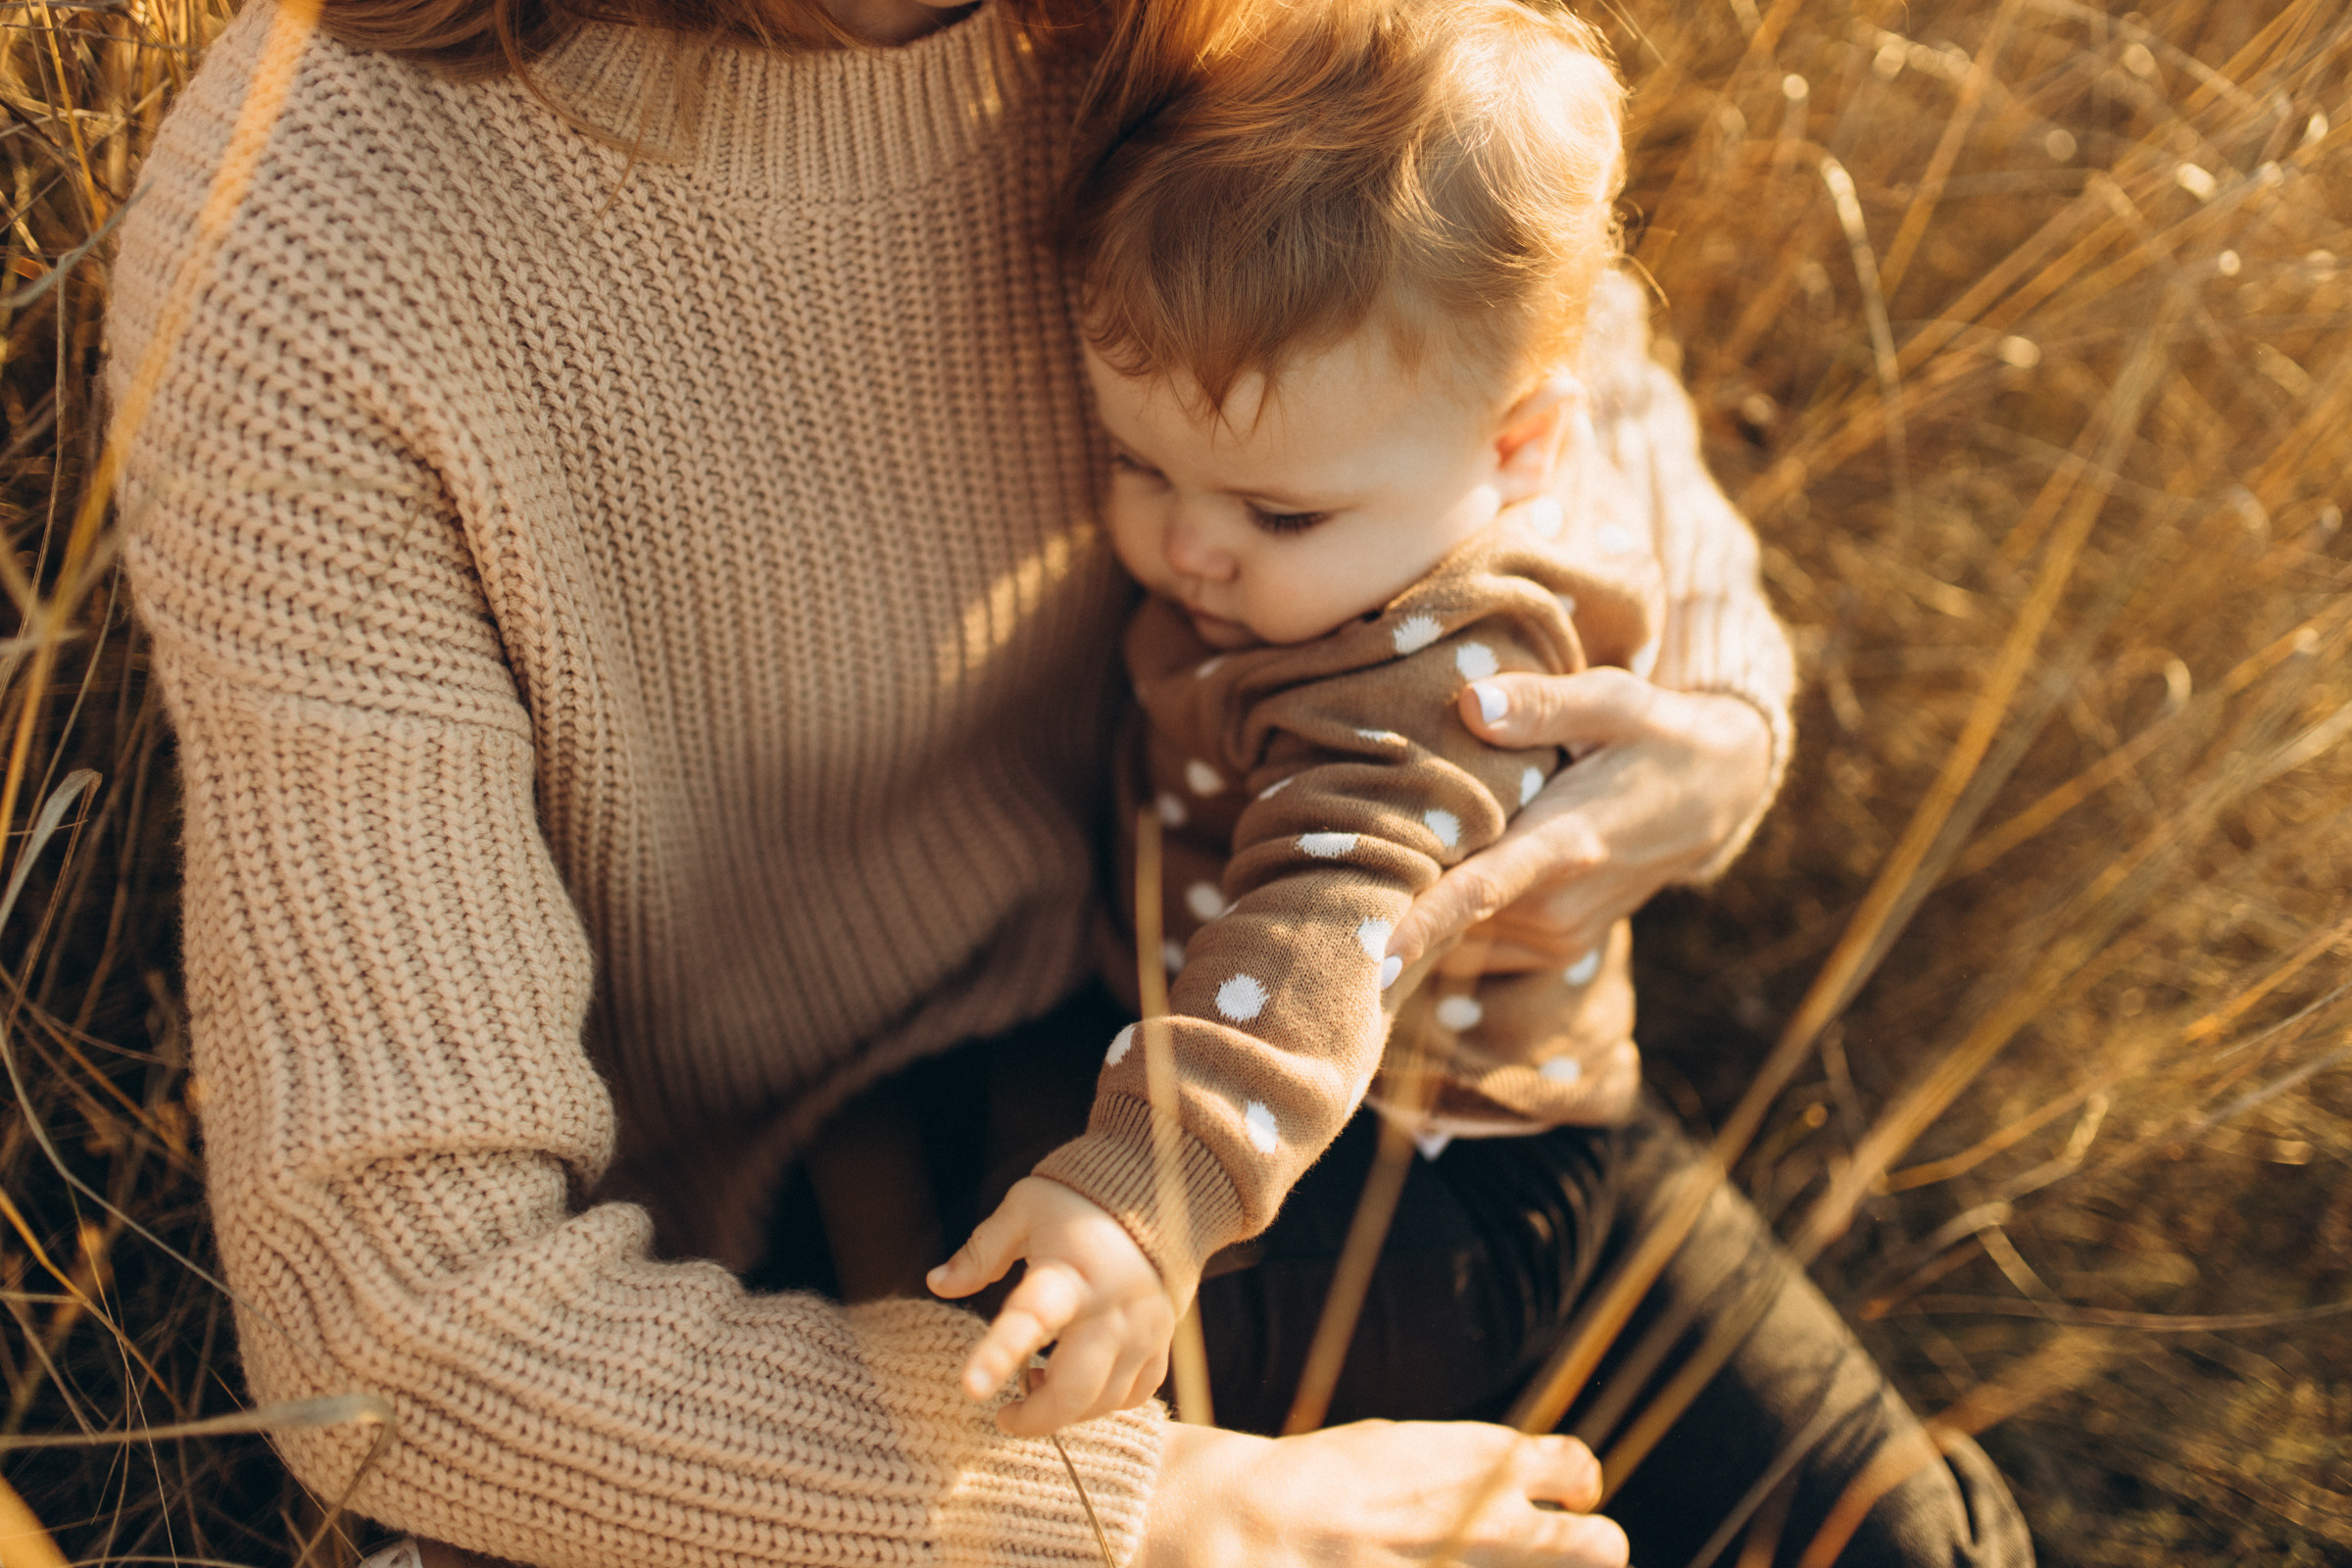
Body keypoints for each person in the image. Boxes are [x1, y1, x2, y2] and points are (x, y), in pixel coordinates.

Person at [107, 0, 2028, 1555]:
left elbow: (1532, 332)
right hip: (813, 1251)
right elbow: (397, 1323)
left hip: (1295, 1036)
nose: (1197, 537)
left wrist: (1709, 715)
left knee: (1904, 1545)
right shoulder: (311, 238)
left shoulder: (1190, 26)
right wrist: (1162, 1517)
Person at [927, 0, 1719, 1434]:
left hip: (1437, 1176)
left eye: (1281, 514)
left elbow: (1328, 912)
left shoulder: (1450, 672)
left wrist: (1150, 1190)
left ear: (1519, 448)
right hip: (1239, 1070)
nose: (1190, 547)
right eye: (1140, 465)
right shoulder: (1343, 520)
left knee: (1035, 1344)